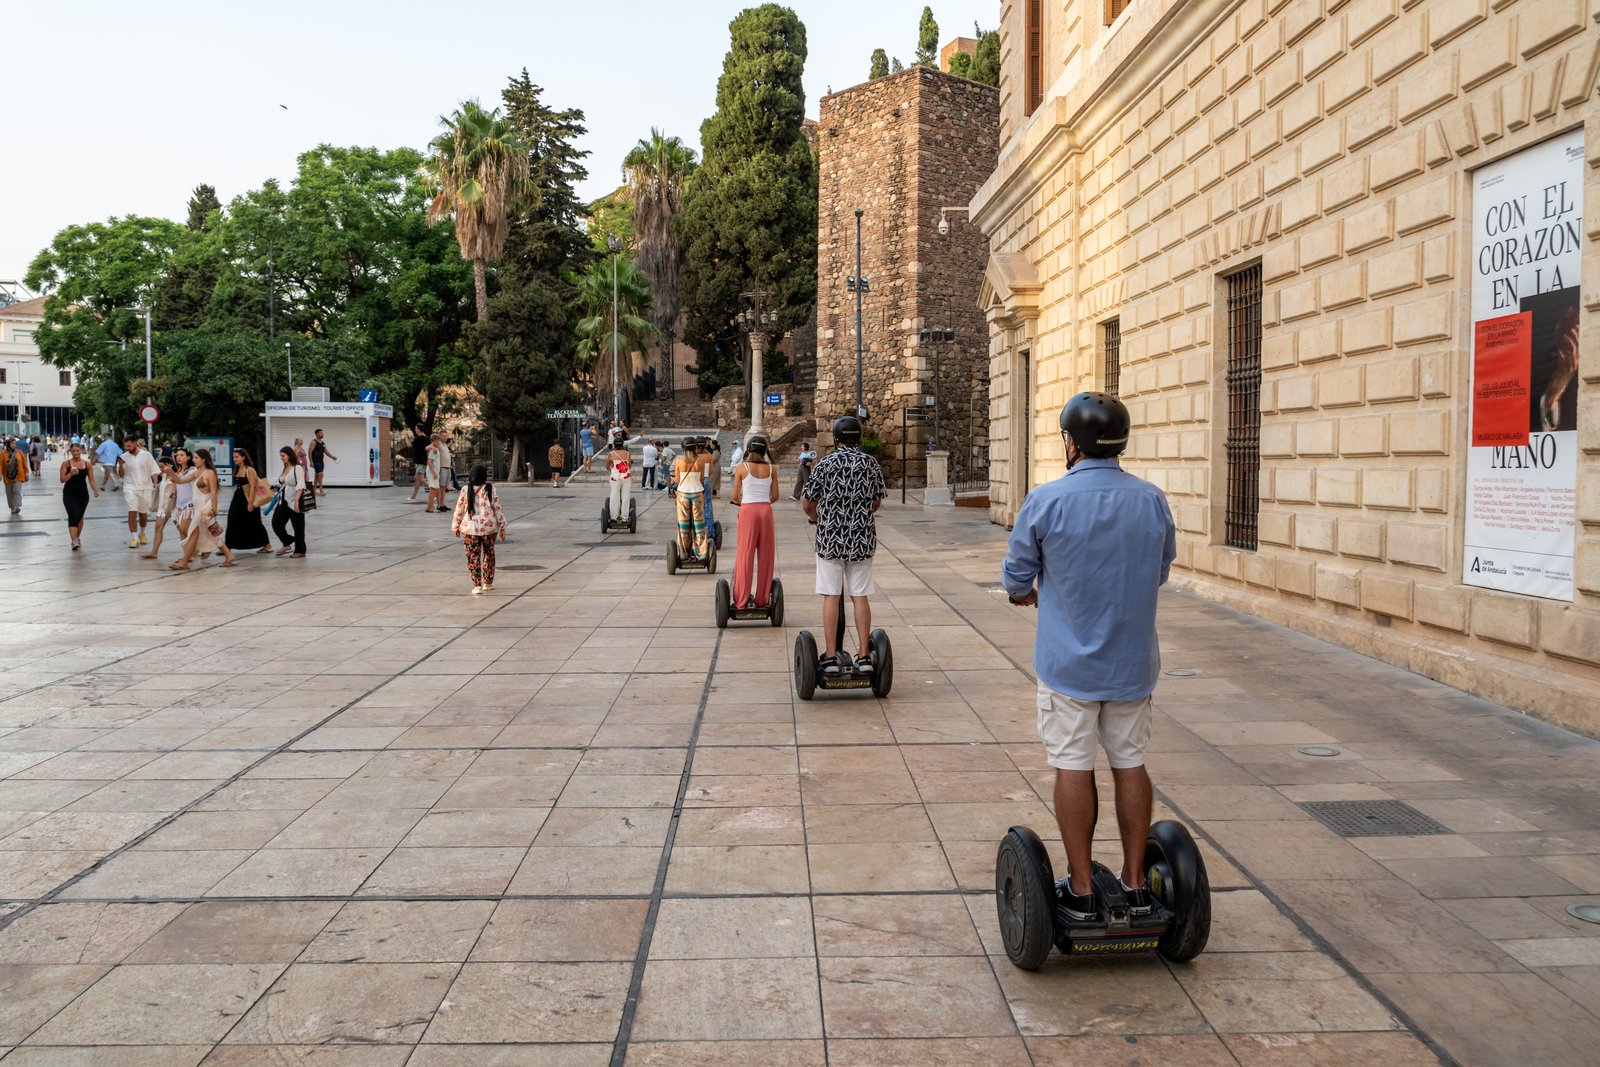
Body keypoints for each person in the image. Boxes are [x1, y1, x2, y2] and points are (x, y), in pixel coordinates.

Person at [1001, 392, 1176, 922]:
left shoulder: (1046, 500)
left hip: (1069, 668)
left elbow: (1015, 576)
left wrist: (1030, 592)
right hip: (1131, 665)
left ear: (1073, 443)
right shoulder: (1151, 500)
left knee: (1072, 765)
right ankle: (1134, 881)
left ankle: (1079, 888)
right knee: (1130, 763)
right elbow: (1161, 568)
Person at [801, 416, 886, 675]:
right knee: (860, 595)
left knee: (831, 595)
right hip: (861, 539)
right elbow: (876, 500)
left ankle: (829, 657)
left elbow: (807, 501)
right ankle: (863, 656)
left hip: (830, 539)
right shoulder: (870, 464)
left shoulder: (825, 464)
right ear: (859, 438)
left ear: (836, 438)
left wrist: (815, 517)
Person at [731, 434, 779, 610]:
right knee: (766, 555)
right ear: (764, 450)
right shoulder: (772, 469)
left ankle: (742, 600)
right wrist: (763, 503)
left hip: (748, 511)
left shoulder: (741, 468)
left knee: (745, 554)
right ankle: (762, 599)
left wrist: (743, 502)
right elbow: (775, 496)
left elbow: (735, 496)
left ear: (749, 450)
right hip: (765, 511)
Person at [170, 448, 236, 569]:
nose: (194, 460)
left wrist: (214, 508)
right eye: (194, 458)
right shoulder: (196, 472)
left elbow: (214, 491)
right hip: (198, 508)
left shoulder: (209, 472)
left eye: (196, 458)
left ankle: (184, 561)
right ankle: (229, 556)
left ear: (204, 459)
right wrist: (170, 472)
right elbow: (179, 480)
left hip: (204, 508)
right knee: (212, 534)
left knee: (193, 534)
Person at [452, 462, 507, 594]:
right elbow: (497, 508)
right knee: (489, 554)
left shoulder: (465, 489)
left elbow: (459, 509)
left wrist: (456, 526)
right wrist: (502, 527)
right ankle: (487, 583)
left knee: (473, 556)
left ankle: (477, 585)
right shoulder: (490, 489)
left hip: (470, 528)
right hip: (489, 528)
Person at [225, 448, 272, 554]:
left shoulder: (249, 470)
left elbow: (252, 487)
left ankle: (267, 544)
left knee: (254, 522)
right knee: (232, 519)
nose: (234, 459)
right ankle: (228, 546)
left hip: (248, 498)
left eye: (236, 457)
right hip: (238, 498)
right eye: (233, 457)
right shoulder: (237, 469)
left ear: (243, 457)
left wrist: (250, 503)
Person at [116, 435, 160, 549]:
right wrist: (120, 465)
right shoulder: (123, 457)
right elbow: (121, 474)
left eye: (129, 446)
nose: (127, 448)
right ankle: (134, 538)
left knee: (143, 513)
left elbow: (154, 470)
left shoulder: (146, 455)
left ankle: (142, 533)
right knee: (132, 511)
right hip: (130, 487)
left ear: (135, 443)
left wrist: (155, 482)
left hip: (146, 487)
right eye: (125, 446)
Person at [672, 437, 709, 561]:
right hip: (697, 493)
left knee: (683, 524)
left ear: (683, 448)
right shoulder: (701, 461)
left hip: (683, 494)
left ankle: (683, 553)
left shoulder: (679, 461)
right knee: (699, 524)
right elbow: (702, 480)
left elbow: (677, 480)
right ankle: (701, 552)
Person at [141, 455, 180, 560]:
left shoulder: (174, 477)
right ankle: (154, 552)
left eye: (162, 467)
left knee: (182, 529)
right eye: (159, 467)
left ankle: (191, 550)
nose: (160, 469)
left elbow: (176, 493)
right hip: (162, 507)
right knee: (158, 528)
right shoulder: (163, 476)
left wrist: (171, 509)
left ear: (169, 465)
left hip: (170, 507)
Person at [271, 446, 308, 558]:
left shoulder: (297, 468)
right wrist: (274, 488)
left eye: (283, 456)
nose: (281, 458)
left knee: (298, 526)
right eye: (280, 456)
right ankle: (287, 541)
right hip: (283, 500)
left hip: (294, 499)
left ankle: (300, 550)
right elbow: (283, 483)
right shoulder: (285, 467)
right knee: (276, 523)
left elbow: (300, 485)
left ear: (289, 455)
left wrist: (296, 501)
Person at [59, 441, 97, 550]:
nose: (75, 453)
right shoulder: (66, 464)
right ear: (70, 451)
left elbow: (92, 479)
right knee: (73, 515)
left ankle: (76, 538)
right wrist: (70, 474)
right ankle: (74, 540)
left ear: (81, 451)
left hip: (83, 494)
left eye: (77, 451)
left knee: (80, 517)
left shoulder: (87, 464)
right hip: (69, 493)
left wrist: (95, 490)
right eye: (73, 451)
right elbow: (62, 480)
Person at [606, 428, 632, 523]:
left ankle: (614, 517)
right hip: (626, 477)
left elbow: (607, 466)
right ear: (622, 444)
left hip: (615, 478)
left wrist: (613, 470)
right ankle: (625, 517)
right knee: (625, 496)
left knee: (614, 496)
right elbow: (629, 466)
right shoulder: (627, 453)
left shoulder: (611, 454)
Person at [3, 437, 28, 516]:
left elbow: (25, 463)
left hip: (19, 475)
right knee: (9, 492)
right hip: (7, 476)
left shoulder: (19, 452)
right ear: (8, 444)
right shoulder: (3, 454)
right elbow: (0, 465)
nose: (14, 445)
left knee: (16, 491)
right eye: (12, 443)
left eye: (15, 443)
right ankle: (12, 507)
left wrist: (26, 473)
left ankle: (17, 506)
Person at [310, 429, 337, 497]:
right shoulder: (314, 442)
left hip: (321, 461)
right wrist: (311, 461)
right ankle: (321, 491)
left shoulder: (322, 443)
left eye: (322, 433)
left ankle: (313, 491)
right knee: (321, 475)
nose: (322, 434)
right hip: (315, 461)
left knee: (317, 476)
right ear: (317, 434)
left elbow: (326, 451)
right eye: (321, 433)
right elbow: (310, 451)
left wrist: (332, 457)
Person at [409, 425, 430, 501]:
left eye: (415, 428)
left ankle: (435, 490)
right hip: (423, 461)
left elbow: (409, 445)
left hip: (419, 461)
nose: (415, 430)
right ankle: (413, 496)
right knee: (417, 479)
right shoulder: (426, 438)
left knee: (421, 479)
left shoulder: (419, 438)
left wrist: (405, 437)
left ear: (418, 429)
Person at [424, 433, 444, 513]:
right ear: (432, 441)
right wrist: (434, 473)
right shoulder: (433, 450)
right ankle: (431, 507)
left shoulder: (435, 448)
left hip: (435, 472)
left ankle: (428, 507)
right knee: (433, 490)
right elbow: (429, 462)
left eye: (438, 441)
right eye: (436, 441)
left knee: (436, 489)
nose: (438, 443)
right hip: (432, 472)